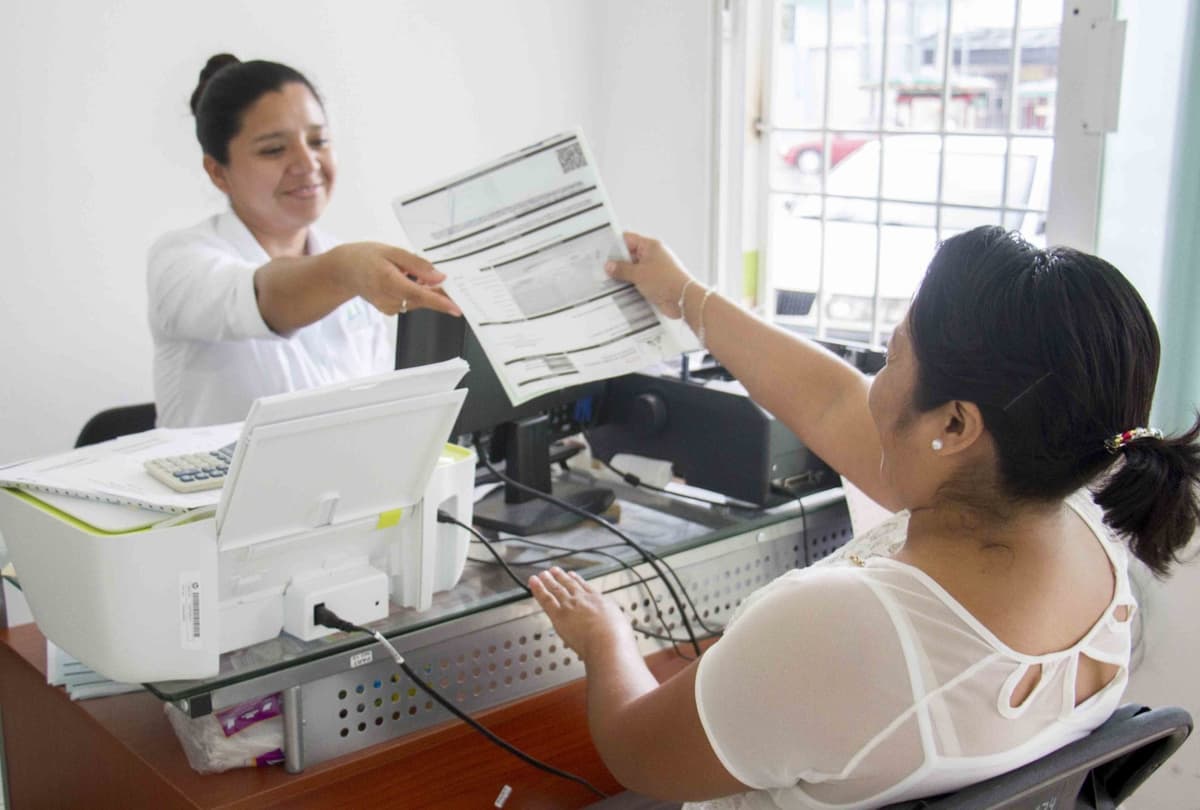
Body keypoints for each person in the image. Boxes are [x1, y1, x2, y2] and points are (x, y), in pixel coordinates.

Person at [529, 226, 1200, 808]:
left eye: (895, 353)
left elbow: (635, 751)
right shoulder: (1085, 524)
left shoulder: (840, 630)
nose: (878, 375)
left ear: (955, 424)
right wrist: (685, 296)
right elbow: (832, 404)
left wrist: (604, 635)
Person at [148, 54, 460, 428]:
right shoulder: (181, 260)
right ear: (218, 172)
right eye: (274, 149)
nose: (307, 163)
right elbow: (261, 297)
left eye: (318, 141)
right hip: (213, 488)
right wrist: (347, 272)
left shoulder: (349, 261)